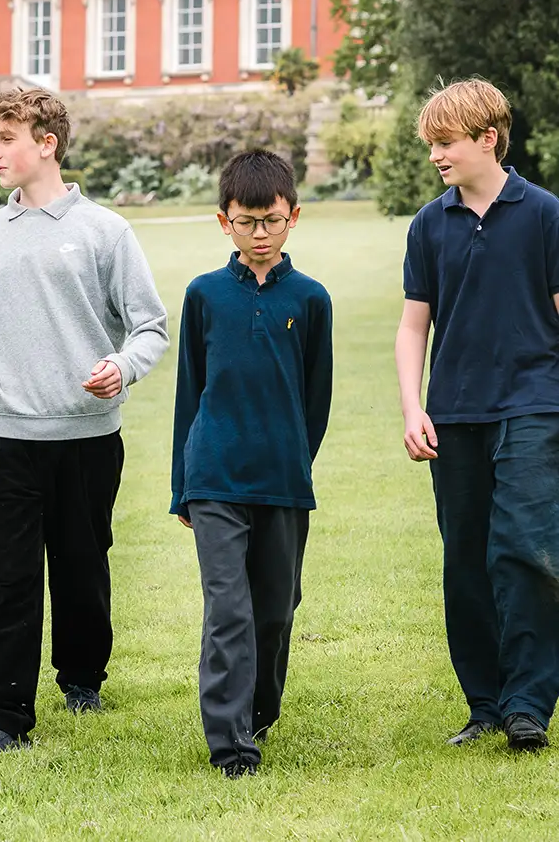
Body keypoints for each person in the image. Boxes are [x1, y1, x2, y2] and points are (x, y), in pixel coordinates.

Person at [0, 87, 169, 762]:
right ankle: (1, 718)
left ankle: (82, 678)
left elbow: (151, 328)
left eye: (6, 138)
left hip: (88, 441)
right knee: (8, 578)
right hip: (6, 437)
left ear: (46, 143)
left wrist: (121, 369)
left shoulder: (106, 232)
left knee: (81, 568)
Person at [395, 78, 559, 753]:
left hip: (533, 404)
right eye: (431, 143)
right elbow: (413, 328)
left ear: (486, 138)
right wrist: (412, 408)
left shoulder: (544, 213)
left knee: (525, 551)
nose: (435, 154)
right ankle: (484, 703)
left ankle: (527, 705)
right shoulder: (429, 224)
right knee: (464, 559)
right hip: (452, 412)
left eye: (445, 142)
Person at [170, 149, 332, 778]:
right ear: (223, 222)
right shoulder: (204, 295)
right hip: (215, 476)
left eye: (271, 221)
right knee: (228, 609)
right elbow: (191, 390)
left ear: (293, 217)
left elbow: (314, 401)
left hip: (284, 480)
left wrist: (293, 457)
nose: (259, 234)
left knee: (274, 607)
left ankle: (260, 710)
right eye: (246, 222)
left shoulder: (311, 299)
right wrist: (184, 485)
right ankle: (231, 742)